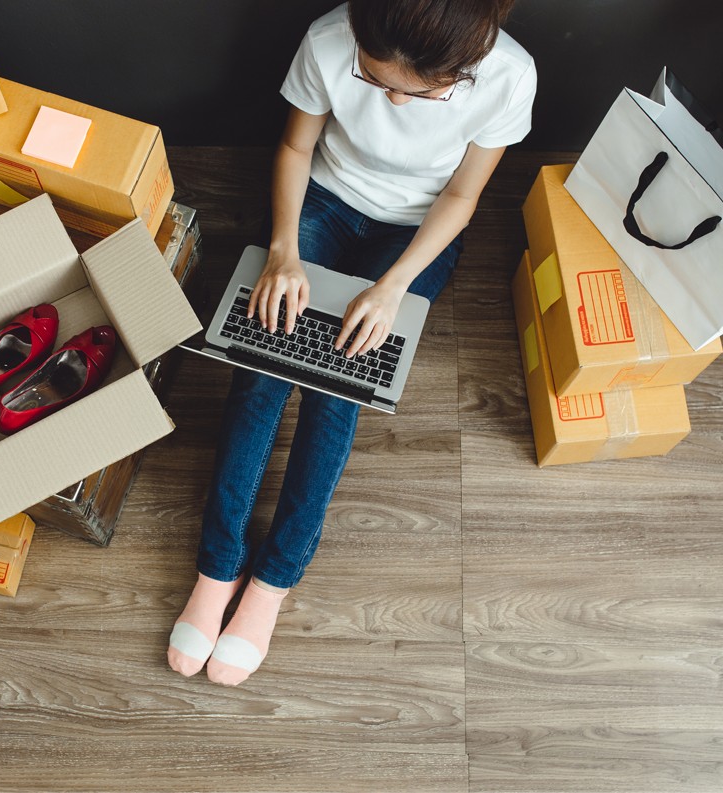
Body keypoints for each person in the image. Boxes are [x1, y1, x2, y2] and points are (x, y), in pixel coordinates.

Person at [168, 0, 536, 686]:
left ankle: (273, 580)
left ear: (461, 70)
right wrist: (283, 251)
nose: (392, 101)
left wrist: (394, 285)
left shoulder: (511, 77)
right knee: (262, 364)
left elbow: (461, 197)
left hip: (415, 234)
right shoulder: (332, 40)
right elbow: (296, 147)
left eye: (416, 93)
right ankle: (217, 566)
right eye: (375, 83)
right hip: (324, 204)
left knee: (338, 387)